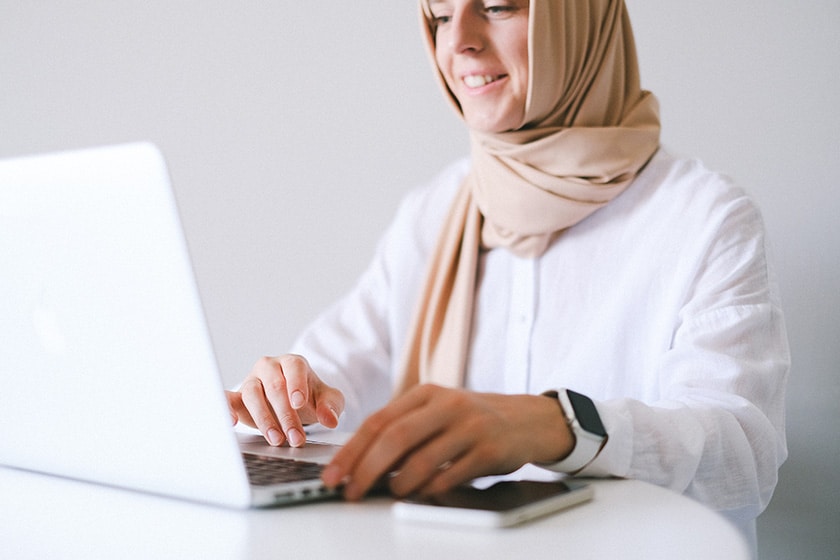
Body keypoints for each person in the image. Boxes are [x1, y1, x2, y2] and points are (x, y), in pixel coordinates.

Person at [226, 0, 788, 554]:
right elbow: (337, 369)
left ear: (579, 20)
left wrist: (561, 425)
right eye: (441, 16)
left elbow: (743, 452)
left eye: (497, 7)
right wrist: (286, 393)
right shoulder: (434, 210)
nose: (458, 41)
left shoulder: (706, 217)